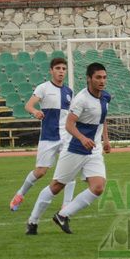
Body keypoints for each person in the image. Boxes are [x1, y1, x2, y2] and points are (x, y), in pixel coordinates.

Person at [25, 63, 111, 235]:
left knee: (98, 187)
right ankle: (32, 221)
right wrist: (82, 138)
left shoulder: (106, 97)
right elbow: (69, 124)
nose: (102, 81)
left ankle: (62, 215)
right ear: (89, 79)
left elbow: (102, 119)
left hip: (93, 150)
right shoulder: (81, 99)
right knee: (56, 186)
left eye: (104, 77)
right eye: (98, 77)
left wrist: (106, 140)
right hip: (75, 149)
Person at [10, 57, 76, 211]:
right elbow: (28, 105)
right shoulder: (43, 88)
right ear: (51, 70)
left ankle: (66, 206)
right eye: (58, 68)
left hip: (66, 136)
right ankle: (20, 194)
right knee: (41, 172)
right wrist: (35, 111)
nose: (61, 71)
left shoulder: (69, 92)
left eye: (63, 69)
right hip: (48, 136)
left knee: (70, 169)